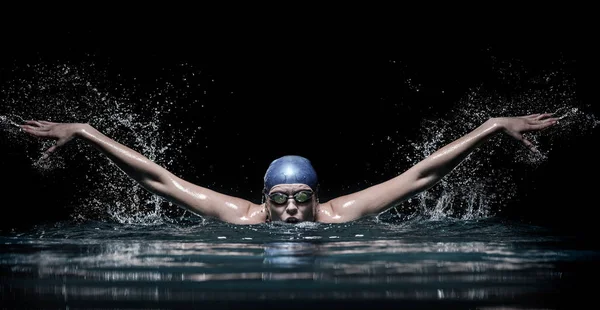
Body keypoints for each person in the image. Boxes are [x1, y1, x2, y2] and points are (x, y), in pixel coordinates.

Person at [19, 113, 558, 224]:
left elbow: (420, 175)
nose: (294, 211)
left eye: (302, 198)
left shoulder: (341, 215)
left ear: (319, 196)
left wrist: (490, 127)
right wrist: (87, 133)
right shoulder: (243, 217)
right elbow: (160, 179)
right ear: (264, 196)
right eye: (281, 199)